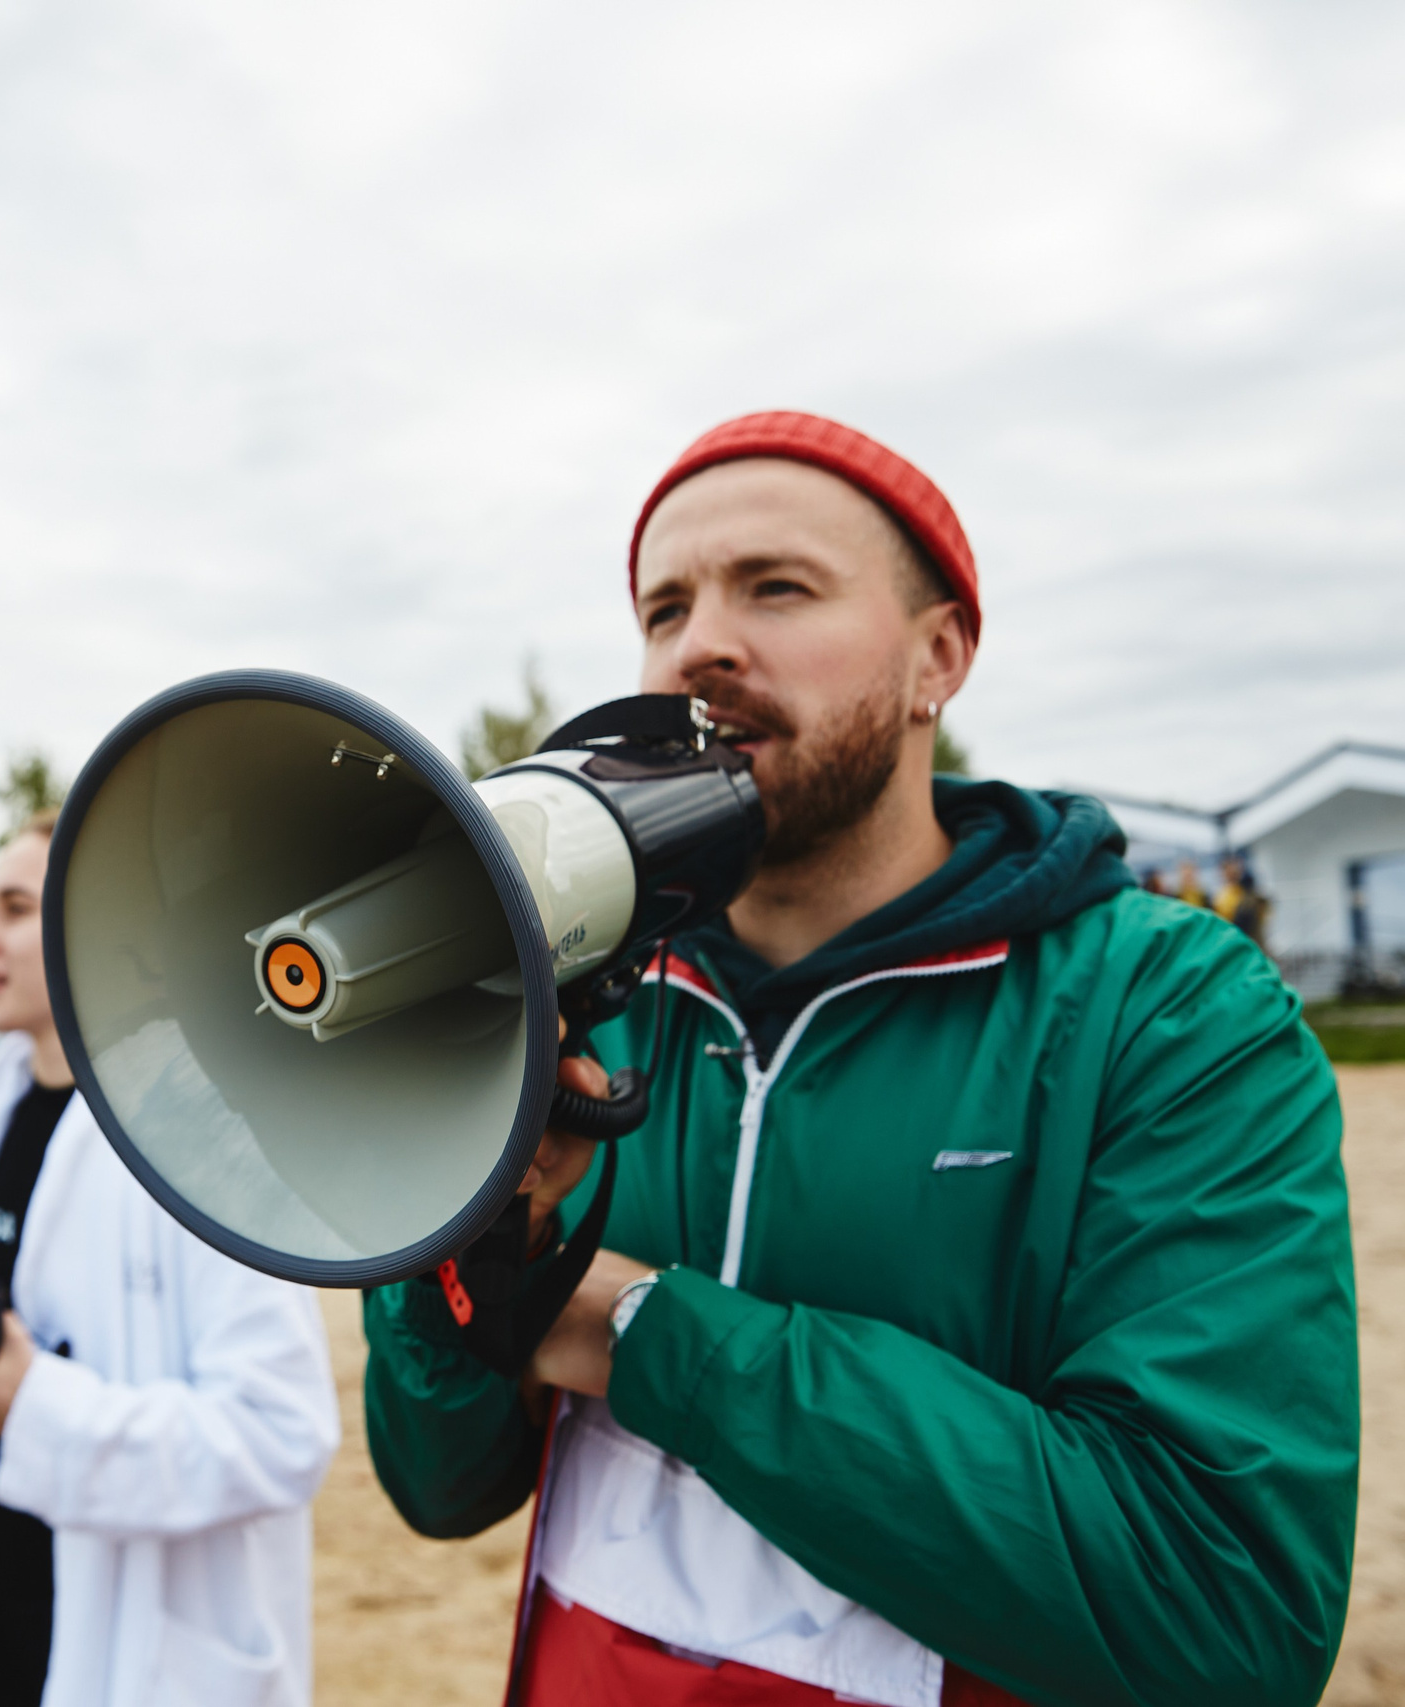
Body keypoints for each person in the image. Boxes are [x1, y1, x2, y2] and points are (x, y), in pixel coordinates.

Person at [361, 412, 1354, 1706]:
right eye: (666, 606)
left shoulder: (1164, 1005)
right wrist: (466, 1249)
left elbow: (1220, 1603)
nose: (701, 643)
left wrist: (633, 1324)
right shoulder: (585, 995)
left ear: (940, 653)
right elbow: (441, 1488)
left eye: (777, 586)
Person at [0, 812, 339, 1707]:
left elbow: (281, 1436)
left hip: (149, 1654)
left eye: (12, 907)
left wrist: (30, 1408)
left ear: (108, 926)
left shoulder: (208, 1136)